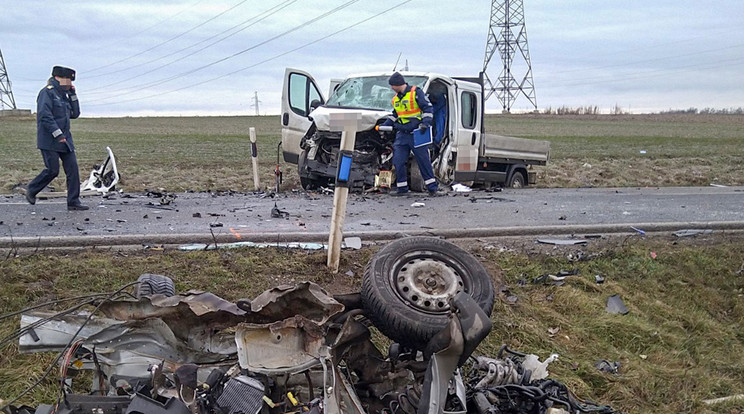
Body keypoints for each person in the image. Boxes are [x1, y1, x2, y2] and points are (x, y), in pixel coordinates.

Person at [26, 65, 89, 210]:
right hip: (50, 140)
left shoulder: (64, 95)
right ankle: (32, 189)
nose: (70, 83)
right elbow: (44, 116)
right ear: (58, 78)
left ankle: (73, 202)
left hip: (65, 140)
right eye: (68, 79)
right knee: (52, 170)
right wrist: (57, 133)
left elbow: (75, 114)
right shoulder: (47, 93)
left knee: (73, 170)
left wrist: (73, 96)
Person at [381, 72, 439, 196]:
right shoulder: (396, 99)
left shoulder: (416, 93)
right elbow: (395, 114)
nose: (391, 88)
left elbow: (428, 109)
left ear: (398, 84)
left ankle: (432, 188)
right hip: (402, 134)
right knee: (398, 161)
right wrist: (386, 125)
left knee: (423, 161)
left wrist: (425, 123)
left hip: (417, 133)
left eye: (392, 85)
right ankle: (402, 189)